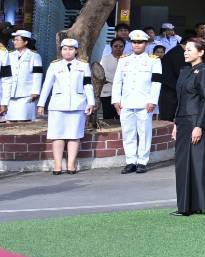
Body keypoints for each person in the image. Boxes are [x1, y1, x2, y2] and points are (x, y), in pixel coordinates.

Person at [171, 38, 205, 216]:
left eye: (190, 49)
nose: (186, 52)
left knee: (196, 162)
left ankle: (196, 204)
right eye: (185, 49)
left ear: (201, 52)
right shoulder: (185, 71)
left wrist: (200, 125)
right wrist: (175, 123)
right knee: (182, 164)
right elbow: (180, 99)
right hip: (183, 121)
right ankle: (185, 205)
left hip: (195, 121)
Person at [38, 38, 92, 174]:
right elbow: (47, 85)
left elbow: (87, 85)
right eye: (65, 49)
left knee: (74, 135)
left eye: (71, 49)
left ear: (76, 51)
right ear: (61, 50)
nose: (67, 52)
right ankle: (57, 165)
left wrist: (91, 102)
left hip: (78, 104)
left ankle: (71, 164)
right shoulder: (54, 65)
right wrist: (41, 104)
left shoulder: (83, 65)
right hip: (58, 105)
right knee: (57, 135)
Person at [111, 30, 160, 174]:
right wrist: (116, 100)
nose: (137, 45)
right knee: (128, 133)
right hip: (126, 102)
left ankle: (142, 161)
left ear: (146, 44)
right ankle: (130, 161)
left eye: (140, 42)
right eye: (134, 42)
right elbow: (117, 81)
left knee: (144, 133)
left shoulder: (153, 60)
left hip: (144, 102)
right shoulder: (124, 59)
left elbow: (156, 82)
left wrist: (152, 101)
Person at [1, 29, 43, 122]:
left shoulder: (34, 56)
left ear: (26, 42)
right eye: (14, 40)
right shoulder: (9, 55)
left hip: (27, 94)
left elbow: (37, 75)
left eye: (17, 40)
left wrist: (36, 91)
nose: (14, 42)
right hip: (11, 93)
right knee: (10, 121)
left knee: (24, 120)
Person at [97, 35, 125, 122]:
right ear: (111, 47)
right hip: (107, 91)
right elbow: (103, 74)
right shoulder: (105, 59)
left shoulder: (127, 59)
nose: (118, 48)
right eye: (115, 46)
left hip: (122, 92)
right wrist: (119, 80)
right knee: (108, 117)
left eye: (121, 46)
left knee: (121, 117)